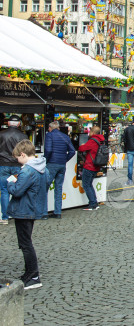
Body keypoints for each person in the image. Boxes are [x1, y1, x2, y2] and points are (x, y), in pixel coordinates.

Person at [6, 140, 48, 290]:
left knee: (25, 244)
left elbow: (17, 191)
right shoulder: (43, 168)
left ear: (23, 154)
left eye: (18, 157)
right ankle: (29, 273)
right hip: (33, 208)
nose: (17, 160)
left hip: (24, 210)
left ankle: (33, 275)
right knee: (26, 242)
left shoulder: (27, 171)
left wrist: (10, 182)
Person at [43, 122, 76, 219]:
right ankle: (57, 212)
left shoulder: (49, 135)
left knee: (44, 187)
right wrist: (64, 159)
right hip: (62, 165)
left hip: (52, 164)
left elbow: (48, 150)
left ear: (50, 128)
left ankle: (44, 213)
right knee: (58, 188)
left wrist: (46, 160)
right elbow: (72, 151)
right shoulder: (65, 136)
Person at [0, 116, 28, 224]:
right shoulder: (23, 136)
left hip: (3, 165)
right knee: (19, 190)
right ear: (18, 124)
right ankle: (18, 214)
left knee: (4, 191)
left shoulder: (1, 134)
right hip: (17, 165)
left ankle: (5, 217)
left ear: (8, 123)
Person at [77, 126, 105, 211]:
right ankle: (94, 202)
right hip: (96, 166)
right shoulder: (101, 140)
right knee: (89, 184)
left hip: (89, 165)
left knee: (86, 185)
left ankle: (93, 203)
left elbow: (82, 148)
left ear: (92, 132)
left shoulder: (92, 141)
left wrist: (82, 145)